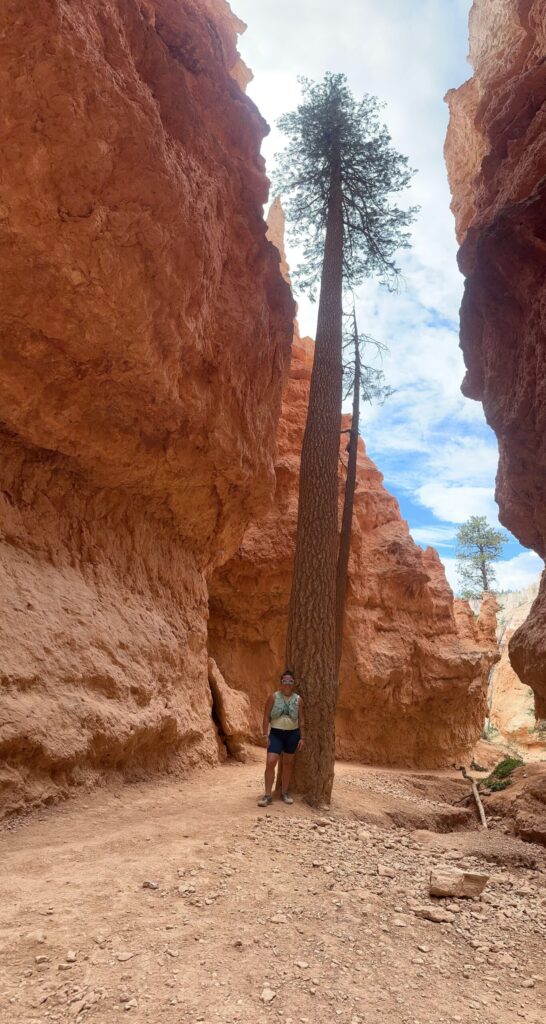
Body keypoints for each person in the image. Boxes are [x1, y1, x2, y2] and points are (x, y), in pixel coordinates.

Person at [257, 670, 304, 807]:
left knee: (288, 763)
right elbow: (266, 716)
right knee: (271, 761)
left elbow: (302, 720)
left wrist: (303, 737)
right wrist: (265, 734)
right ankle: (267, 795)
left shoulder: (298, 700)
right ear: (281, 683)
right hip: (276, 733)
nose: (287, 684)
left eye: (290, 681)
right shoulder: (273, 697)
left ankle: (284, 793)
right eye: (285, 681)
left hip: (292, 734)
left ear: (293, 684)